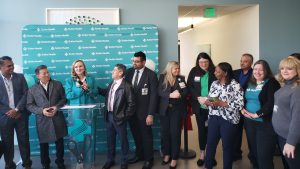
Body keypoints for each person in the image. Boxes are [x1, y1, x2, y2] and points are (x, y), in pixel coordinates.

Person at [199, 62, 244, 169]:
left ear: (225, 73)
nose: (215, 73)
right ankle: (208, 166)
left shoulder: (235, 85)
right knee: (210, 145)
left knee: (227, 147)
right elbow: (212, 98)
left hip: (229, 120)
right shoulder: (214, 83)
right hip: (214, 117)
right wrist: (206, 101)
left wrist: (222, 103)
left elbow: (240, 104)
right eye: (215, 70)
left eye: (218, 71)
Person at [26, 65, 67, 169]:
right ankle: (45, 164)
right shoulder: (32, 89)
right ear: (38, 76)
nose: (47, 74)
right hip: (42, 119)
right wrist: (42, 111)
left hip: (57, 117)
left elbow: (64, 99)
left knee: (60, 142)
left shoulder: (57, 84)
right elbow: (29, 105)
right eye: (44, 73)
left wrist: (56, 107)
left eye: (48, 72)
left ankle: (60, 162)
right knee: (43, 144)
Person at [241, 60, 280, 169]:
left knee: (264, 156)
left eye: (261, 69)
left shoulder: (272, 82)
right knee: (254, 153)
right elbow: (241, 97)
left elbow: (271, 102)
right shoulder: (250, 82)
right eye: (255, 69)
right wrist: (242, 109)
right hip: (249, 122)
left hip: (265, 124)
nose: (257, 72)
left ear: (266, 71)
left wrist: (257, 114)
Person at [98, 64, 135, 169]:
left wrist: (123, 116)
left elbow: (131, 104)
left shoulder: (127, 86)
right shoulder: (112, 83)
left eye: (114, 70)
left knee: (123, 140)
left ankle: (124, 161)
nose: (112, 72)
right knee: (110, 139)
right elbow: (106, 93)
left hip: (120, 118)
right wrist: (95, 89)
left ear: (120, 73)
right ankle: (110, 160)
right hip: (109, 116)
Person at [125, 51, 158, 169]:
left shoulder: (151, 75)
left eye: (137, 61)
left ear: (143, 62)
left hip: (144, 113)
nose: (134, 63)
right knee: (136, 135)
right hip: (131, 112)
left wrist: (150, 114)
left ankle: (149, 159)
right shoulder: (129, 72)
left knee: (146, 136)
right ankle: (139, 155)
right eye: (133, 61)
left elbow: (154, 96)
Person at [0, 56, 32, 169]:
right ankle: (9, 164)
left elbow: (26, 94)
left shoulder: (20, 77)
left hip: (20, 115)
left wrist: (17, 109)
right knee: (7, 143)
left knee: (24, 141)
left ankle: (27, 164)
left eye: (12, 65)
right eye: (9, 66)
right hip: (5, 117)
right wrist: (10, 111)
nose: (12, 67)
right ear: (1, 67)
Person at [187, 52, 216, 167]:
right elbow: (190, 86)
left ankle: (210, 155)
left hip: (213, 106)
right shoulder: (194, 71)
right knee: (202, 130)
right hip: (199, 107)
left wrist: (210, 100)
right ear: (198, 62)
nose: (203, 64)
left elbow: (221, 87)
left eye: (206, 61)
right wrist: (198, 97)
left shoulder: (215, 71)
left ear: (209, 61)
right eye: (201, 62)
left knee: (212, 131)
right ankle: (202, 154)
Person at [158, 61, 188, 169]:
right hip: (165, 110)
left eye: (178, 69)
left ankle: (174, 158)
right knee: (165, 133)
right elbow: (159, 92)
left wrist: (179, 95)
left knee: (175, 134)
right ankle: (167, 155)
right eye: (175, 69)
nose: (177, 71)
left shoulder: (181, 79)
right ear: (169, 69)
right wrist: (170, 94)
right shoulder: (162, 77)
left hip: (177, 110)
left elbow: (186, 92)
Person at [272, 57, 300, 169]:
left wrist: (291, 142)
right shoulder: (286, 86)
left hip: (290, 139)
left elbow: (297, 118)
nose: (284, 71)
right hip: (281, 136)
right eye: (282, 68)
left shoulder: (297, 90)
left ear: (297, 70)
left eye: (289, 68)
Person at [232, 53, 253, 161]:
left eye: (245, 61)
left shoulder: (255, 73)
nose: (242, 63)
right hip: (236, 106)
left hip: (249, 107)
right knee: (236, 131)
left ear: (250, 63)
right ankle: (236, 153)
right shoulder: (235, 72)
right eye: (241, 60)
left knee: (250, 133)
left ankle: (253, 156)